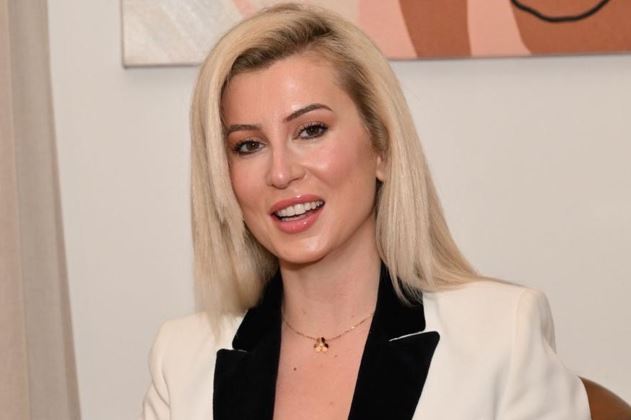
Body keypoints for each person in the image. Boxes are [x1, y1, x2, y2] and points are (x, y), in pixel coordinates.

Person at [140, 3, 590, 419]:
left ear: (382, 147)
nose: (280, 173)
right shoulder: (179, 360)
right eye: (248, 145)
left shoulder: (501, 337)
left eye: (311, 130)